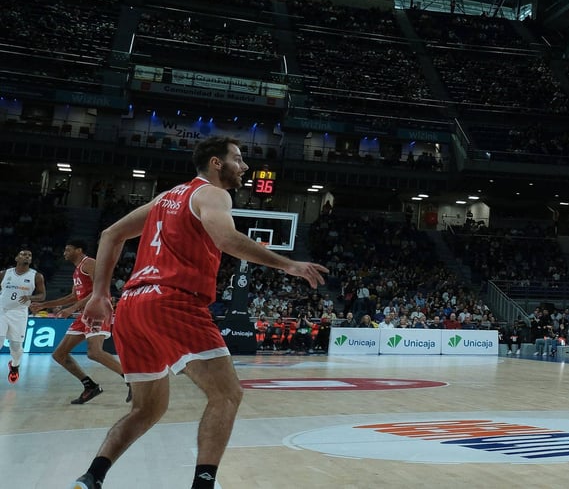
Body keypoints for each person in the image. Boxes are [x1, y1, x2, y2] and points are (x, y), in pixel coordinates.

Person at [69, 136, 328, 489]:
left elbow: (111, 233)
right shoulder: (212, 193)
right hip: (173, 301)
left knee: (147, 409)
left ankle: (91, 478)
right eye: (238, 158)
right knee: (227, 395)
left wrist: (101, 293)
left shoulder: (165, 198)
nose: (245, 166)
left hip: (132, 305)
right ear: (216, 163)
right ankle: (203, 485)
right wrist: (288, 265)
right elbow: (228, 241)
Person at [30, 240, 130, 404]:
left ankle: (132, 381)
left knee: (94, 352)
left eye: (68, 249)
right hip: (84, 313)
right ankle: (90, 386)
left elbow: (100, 289)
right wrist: (44, 304)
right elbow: (73, 296)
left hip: (98, 310)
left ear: (79, 250)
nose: (64, 253)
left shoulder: (89, 263)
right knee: (59, 355)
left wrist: (71, 309)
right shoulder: (77, 271)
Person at [2, 248, 45, 383]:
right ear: (16, 258)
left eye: (29, 255)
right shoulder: (4, 273)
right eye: (23, 254)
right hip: (2, 311)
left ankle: (14, 365)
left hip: (19, 313)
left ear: (31, 260)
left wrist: (30, 297)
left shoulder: (36, 276)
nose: (26, 256)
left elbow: (42, 295)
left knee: (16, 346)